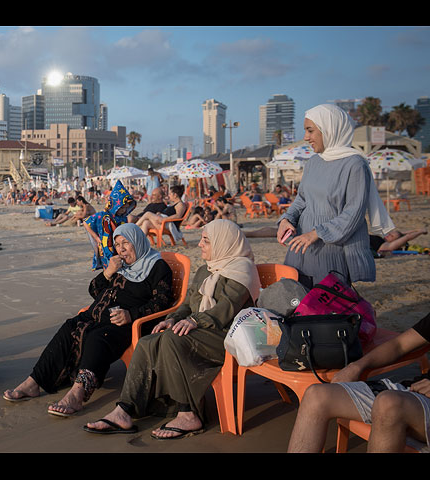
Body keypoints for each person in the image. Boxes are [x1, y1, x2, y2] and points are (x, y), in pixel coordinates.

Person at [84, 219, 260, 438]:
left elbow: (225, 310)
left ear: (223, 243)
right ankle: (125, 410)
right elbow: (187, 303)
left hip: (228, 336)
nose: (200, 245)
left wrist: (193, 322)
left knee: (173, 339)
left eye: (206, 240)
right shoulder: (208, 269)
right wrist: (173, 318)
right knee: (149, 341)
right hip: (204, 330)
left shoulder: (242, 271)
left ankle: (188, 413)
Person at [3, 223, 173, 417]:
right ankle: (34, 381)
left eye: (126, 243)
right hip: (95, 315)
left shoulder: (157, 266)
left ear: (138, 241)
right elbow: (94, 291)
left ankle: (77, 394)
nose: (122, 249)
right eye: (117, 244)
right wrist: (108, 272)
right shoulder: (120, 265)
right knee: (70, 327)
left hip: (126, 323)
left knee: (98, 336)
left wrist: (130, 315)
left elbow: (163, 301)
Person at [276, 104, 395, 288]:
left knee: (327, 305)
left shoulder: (355, 165)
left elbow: (354, 213)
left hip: (331, 248)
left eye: (310, 131)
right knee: (297, 300)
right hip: (300, 244)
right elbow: (302, 199)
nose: (306, 137)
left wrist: (316, 233)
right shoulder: (313, 162)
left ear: (330, 130)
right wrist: (286, 219)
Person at [287, 311, 430, 453]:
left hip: (403, 401)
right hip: (412, 394)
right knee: (316, 396)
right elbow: (399, 345)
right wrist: (357, 366)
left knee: (389, 404)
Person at [84, 180, 136, 270]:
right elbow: (86, 223)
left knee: (120, 265)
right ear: (115, 204)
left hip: (119, 246)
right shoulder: (102, 215)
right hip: (106, 245)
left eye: (126, 208)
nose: (124, 210)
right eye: (122, 208)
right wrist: (96, 237)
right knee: (108, 265)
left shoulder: (123, 217)